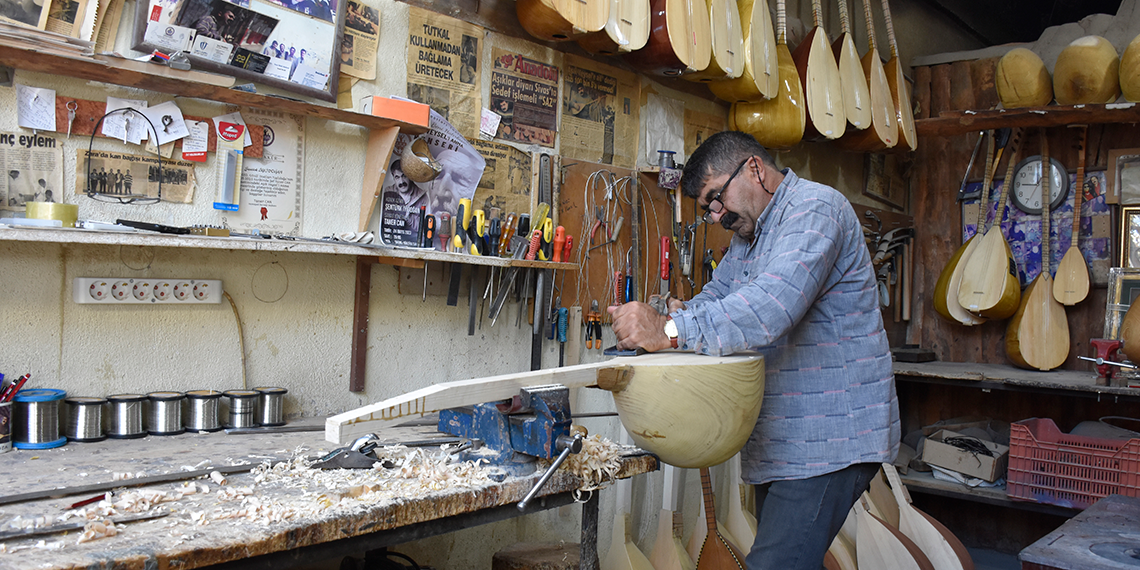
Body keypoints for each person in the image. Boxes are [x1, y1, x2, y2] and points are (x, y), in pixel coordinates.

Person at [607, 131, 899, 570]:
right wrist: (676, 313)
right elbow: (720, 297)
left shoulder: (816, 210)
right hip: (783, 443)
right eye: (709, 210)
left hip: (830, 439)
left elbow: (770, 307)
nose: (717, 217)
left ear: (755, 170)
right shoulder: (750, 236)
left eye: (717, 199)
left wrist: (668, 330)